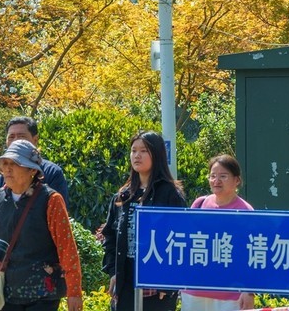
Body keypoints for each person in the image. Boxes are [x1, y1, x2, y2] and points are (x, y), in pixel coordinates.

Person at [0, 140, 82, 311]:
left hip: (44, 295)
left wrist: (74, 292)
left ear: (32, 170)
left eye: (14, 164)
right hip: (7, 292)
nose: (7, 169)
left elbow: (67, 248)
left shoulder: (51, 200)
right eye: (5, 163)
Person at [102, 131, 186, 311]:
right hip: (126, 278)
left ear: (157, 154)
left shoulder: (170, 194)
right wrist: (113, 271)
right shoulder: (123, 194)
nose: (137, 156)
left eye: (143, 151)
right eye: (133, 151)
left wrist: (168, 284)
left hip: (157, 283)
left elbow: (181, 240)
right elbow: (109, 234)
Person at [180, 155, 253, 311]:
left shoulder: (246, 212)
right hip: (195, 291)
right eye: (212, 176)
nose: (216, 181)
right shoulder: (199, 204)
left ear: (237, 180)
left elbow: (253, 255)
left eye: (223, 176)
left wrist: (249, 291)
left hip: (230, 296)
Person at [0, 117, 69, 210]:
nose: (16, 141)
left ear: (35, 139)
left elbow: (59, 216)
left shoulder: (52, 173)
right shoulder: (1, 180)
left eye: (21, 137)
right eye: (11, 137)